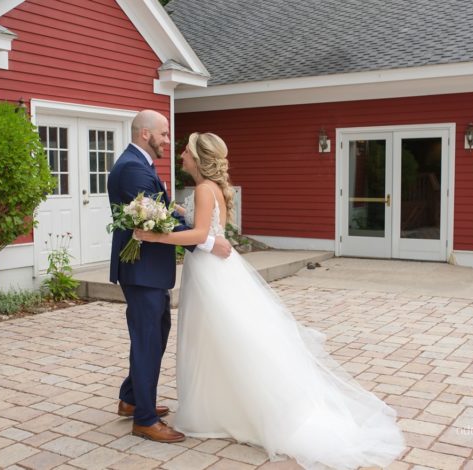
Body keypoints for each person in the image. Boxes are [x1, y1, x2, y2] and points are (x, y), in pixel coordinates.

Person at [135, 132, 405, 469]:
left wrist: (155, 235)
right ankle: (219, 406)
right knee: (214, 340)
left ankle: (229, 410)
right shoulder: (207, 189)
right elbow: (205, 227)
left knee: (218, 338)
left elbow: (201, 235)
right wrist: (171, 211)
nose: (181, 155)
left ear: (199, 158)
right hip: (211, 268)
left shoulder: (205, 189)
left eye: (186, 151)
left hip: (209, 272)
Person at [107, 111, 232, 443]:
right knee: (148, 339)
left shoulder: (141, 164)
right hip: (142, 269)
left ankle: (132, 399)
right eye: (163, 134)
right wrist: (207, 241)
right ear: (146, 134)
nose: (168, 140)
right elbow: (153, 221)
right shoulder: (134, 167)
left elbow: (160, 212)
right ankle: (145, 420)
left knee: (154, 335)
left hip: (149, 269)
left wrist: (182, 215)